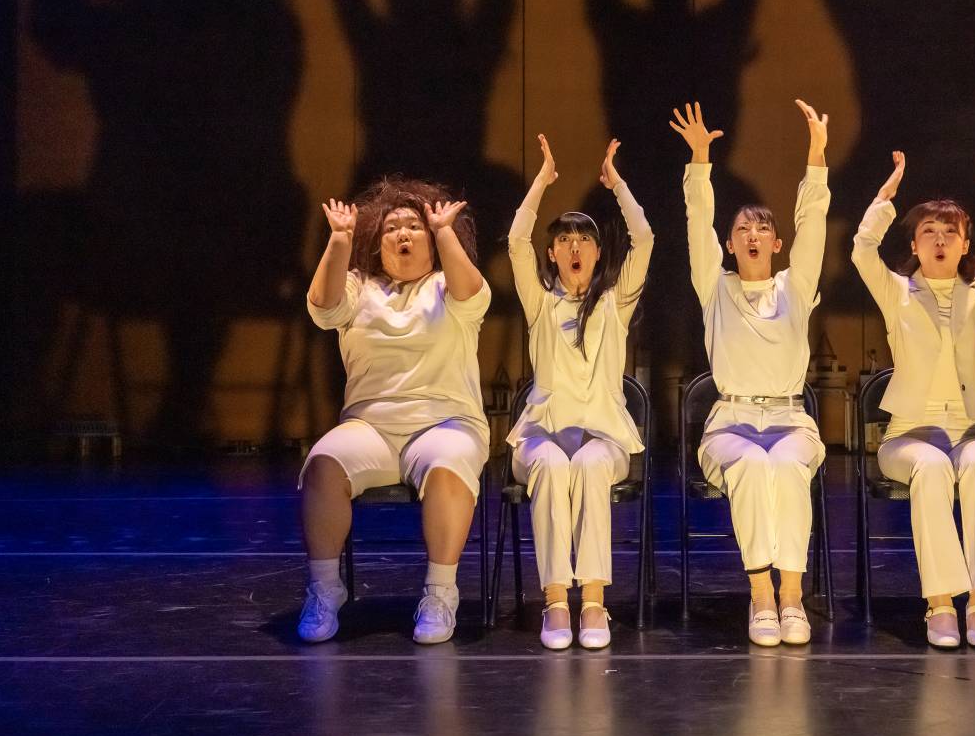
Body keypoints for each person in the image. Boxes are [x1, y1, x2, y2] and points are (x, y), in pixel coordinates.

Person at [851, 140, 975, 648]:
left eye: (949, 232)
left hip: (969, 431)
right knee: (932, 467)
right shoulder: (896, 292)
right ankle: (939, 604)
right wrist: (886, 197)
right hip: (908, 437)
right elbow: (862, 250)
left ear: (964, 244)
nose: (939, 240)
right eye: (929, 233)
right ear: (914, 246)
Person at [297, 178, 490, 645]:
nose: (403, 233)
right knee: (322, 465)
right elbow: (322, 308)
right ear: (376, 241)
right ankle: (325, 590)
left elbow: (473, 293)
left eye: (414, 226)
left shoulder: (447, 286)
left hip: (446, 423)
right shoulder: (358, 287)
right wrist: (339, 239)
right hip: (371, 427)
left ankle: (440, 594)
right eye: (391, 228)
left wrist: (444, 230)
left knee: (448, 467)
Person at [672, 99, 831, 647]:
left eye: (764, 228)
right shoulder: (715, 288)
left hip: (790, 421)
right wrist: (699, 161)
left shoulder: (795, 287)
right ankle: (761, 596)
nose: (754, 234)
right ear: (731, 243)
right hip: (731, 424)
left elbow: (814, 223)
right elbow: (697, 223)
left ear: (777, 244)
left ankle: (793, 597)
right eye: (744, 229)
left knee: (784, 466)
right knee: (753, 464)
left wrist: (816, 156)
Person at [506, 135, 654, 649]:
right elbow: (515, 242)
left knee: (589, 465)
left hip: (603, 438)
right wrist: (542, 182)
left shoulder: (615, 304)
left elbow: (644, 239)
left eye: (584, 240)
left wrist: (617, 186)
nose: (574, 247)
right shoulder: (540, 303)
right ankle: (554, 602)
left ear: (597, 252)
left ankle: (592, 602)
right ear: (552, 253)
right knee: (551, 465)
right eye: (565, 240)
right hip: (541, 435)